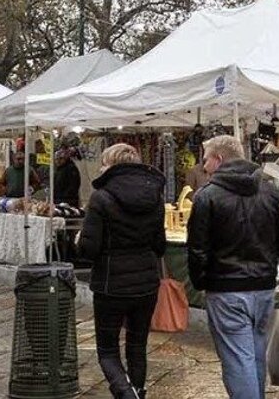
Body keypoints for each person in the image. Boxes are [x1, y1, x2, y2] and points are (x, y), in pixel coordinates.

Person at [187, 135, 279, 398]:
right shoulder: (269, 190)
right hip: (262, 288)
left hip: (226, 289)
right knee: (255, 354)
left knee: (239, 359)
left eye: (206, 160)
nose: (204, 167)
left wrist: (201, 283)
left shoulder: (207, 196)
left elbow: (197, 249)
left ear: (219, 159)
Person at [78, 143, 166, 399]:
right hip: (146, 284)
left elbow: (88, 250)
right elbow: (159, 246)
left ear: (110, 165)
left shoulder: (101, 197)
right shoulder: (155, 196)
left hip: (110, 285)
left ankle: (127, 395)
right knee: (137, 347)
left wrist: (79, 240)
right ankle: (137, 391)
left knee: (107, 350)